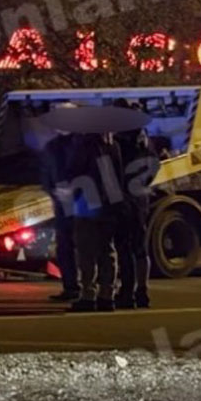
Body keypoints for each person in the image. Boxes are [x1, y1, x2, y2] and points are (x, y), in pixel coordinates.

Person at [61, 132, 124, 312]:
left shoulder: (84, 145)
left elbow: (74, 172)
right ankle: (107, 295)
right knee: (107, 250)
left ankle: (88, 295)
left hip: (87, 203)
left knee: (86, 251)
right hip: (108, 204)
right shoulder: (113, 145)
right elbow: (118, 176)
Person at [113, 126, 158, 308]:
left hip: (124, 202)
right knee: (140, 248)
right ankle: (142, 291)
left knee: (124, 249)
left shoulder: (119, 145)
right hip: (140, 201)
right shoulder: (146, 145)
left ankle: (127, 292)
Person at [39, 130, 78, 300]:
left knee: (81, 248)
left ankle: (83, 288)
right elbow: (46, 173)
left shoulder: (81, 144)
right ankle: (71, 287)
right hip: (63, 205)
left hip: (79, 204)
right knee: (65, 247)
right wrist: (53, 192)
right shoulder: (52, 147)